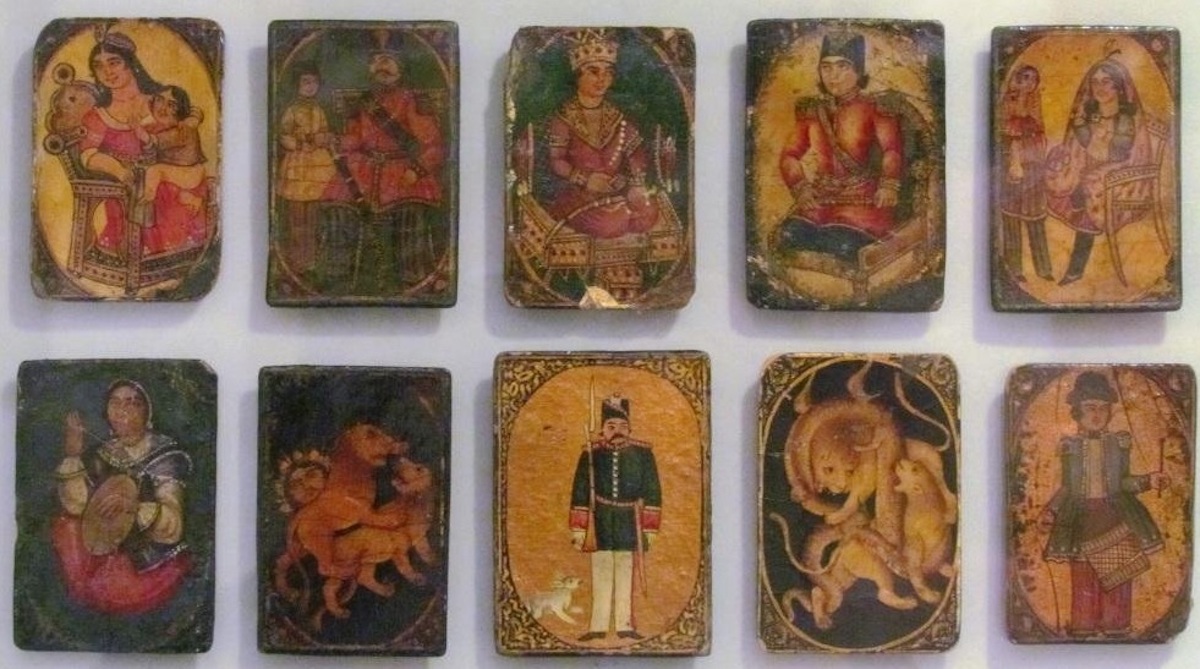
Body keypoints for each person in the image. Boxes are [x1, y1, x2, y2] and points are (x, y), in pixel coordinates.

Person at [1041, 371, 1168, 637]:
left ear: (1110, 411)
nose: (1097, 414)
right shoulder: (1070, 446)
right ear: (1078, 411)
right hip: (1081, 517)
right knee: (1084, 572)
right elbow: (1067, 487)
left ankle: (1115, 625)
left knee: (1120, 572)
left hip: (1114, 514)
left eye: (1102, 408)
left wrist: (1149, 480)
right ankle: (1084, 625)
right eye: (1090, 407)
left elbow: (1123, 482)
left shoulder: (1118, 443)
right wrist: (1051, 510)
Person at [51, 380, 193, 615]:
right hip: (104, 549)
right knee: (66, 527)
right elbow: (78, 506)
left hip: (148, 563)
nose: (122, 410)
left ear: (148, 412)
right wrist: (73, 454)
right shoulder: (104, 452)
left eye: (132, 403)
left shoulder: (165, 455)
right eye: (115, 403)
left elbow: (173, 526)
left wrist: (131, 508)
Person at [324, 29, 445, 289]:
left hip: (402, 171)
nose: (382, 66)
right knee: (338, 204)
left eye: (389, 60)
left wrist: (416, 170)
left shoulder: (412, 101)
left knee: (410, 211)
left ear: (401, 67)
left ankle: (410, 277)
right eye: (377, 60)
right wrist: (337, 141)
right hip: (364, 169)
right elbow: (355, 139)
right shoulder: (364, 102)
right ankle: (338, 276)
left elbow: (433, 146)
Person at [774, 32, 905, 262]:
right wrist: (801, 187)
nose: (833, 76)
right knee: (786, 236)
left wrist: (889, 185)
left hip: (863, 199)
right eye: (826, 67)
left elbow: (892, 150)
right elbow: (790, 155)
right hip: (821, 199)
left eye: (843, 66)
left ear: (859, 71)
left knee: (842, 245)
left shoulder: (877, 108)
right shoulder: (812, 112)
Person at [79, 30, 210, 256]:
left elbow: (190, 116)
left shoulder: (161, 102)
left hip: (178, 182)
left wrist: (190, 122)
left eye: (114, 62)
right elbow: (89, 156)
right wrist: (120, 171)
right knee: (141, 191)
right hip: (131, 188)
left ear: (131, 64)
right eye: (98, 66)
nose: (107, 72)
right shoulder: (97, 116)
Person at [1045, 55, 1158, 285]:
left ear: (1119, 87)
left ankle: (1075, 270)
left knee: (1089, 190)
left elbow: (1117, 153)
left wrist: (1088, 136)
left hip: (1120, 172)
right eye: (1095, 82)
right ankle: (1076, 201)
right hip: (1089, 167)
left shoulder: (1125, 118)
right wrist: (1079, 134)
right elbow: (1082, 144)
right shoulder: (1092, 112)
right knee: (1058, 168)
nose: (1099, 87)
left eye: (1106, 82)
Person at [569, 395, 661, 641]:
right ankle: (597, 627)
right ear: (602, 429)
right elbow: (579, 491)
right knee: (600, 569)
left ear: (629, 428)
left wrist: (650, 529)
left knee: (624, 569)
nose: (617, 431)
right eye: (611, 426)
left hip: (629, 520)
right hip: (599, 520)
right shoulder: (591, 454)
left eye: (622, 426)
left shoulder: (643, 454)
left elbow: (653, 491)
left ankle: (624, 625)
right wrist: (579, 529)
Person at [276, 62, 337, 273]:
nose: (311, 86)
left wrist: (324, 138)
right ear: (297, 85)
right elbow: (284, 135)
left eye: (314, 82)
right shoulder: (292, 111)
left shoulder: (319, 110)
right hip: (298, 165)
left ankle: (311, 258)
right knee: (297, 216)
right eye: (306, 82)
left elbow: (324, 132)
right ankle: (296, 258)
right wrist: (300, 143)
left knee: (313, 214)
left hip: (317, 166)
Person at [136, 84, 209, 254]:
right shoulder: (155, 127)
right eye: (160, 100)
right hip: (174, 174)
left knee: (155, 172)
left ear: (181, 111)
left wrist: (138, 130)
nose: (163, 108)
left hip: (189, 174)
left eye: (172, 105)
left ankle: (145, 202)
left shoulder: (184, 128)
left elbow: (155, 141)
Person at [999, 65, 1053, 282]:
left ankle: (1044, 269)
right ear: (1017, 78)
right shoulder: (1008, 101)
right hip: (1013, 161)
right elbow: (1008, 130)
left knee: (1035, 217)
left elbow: (1039, 130)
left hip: (1034, 163)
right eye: (1025, 78)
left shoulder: (1034, 101)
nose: (1029, 83)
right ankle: (1015, 270)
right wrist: (1014, 161)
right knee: (1011, 216)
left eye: (1033, 79)